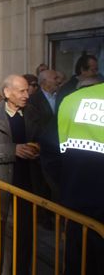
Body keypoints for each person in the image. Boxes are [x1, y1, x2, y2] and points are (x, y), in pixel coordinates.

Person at [0, 74, 41, 275]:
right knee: (2, 238)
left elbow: (46, 139)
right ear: (7, 92)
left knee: (25, 236)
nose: (26, 95)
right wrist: (13, 150)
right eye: (21, 91)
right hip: (2, 188)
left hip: (28, 187)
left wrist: (38, 148)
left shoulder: (33, 114)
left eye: (27, 90)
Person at [57, 82, 104, 275]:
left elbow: (52, 150)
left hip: (76, 202)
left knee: (78, 263)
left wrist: (65, 187)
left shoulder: (73, 99)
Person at [29, 70, 61, 201]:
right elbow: (34, 126)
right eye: (55, 78)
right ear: (44, 82)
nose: (58, 80)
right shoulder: (33, 101)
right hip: (43, 149)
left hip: (59, 148)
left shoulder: (61, 97)